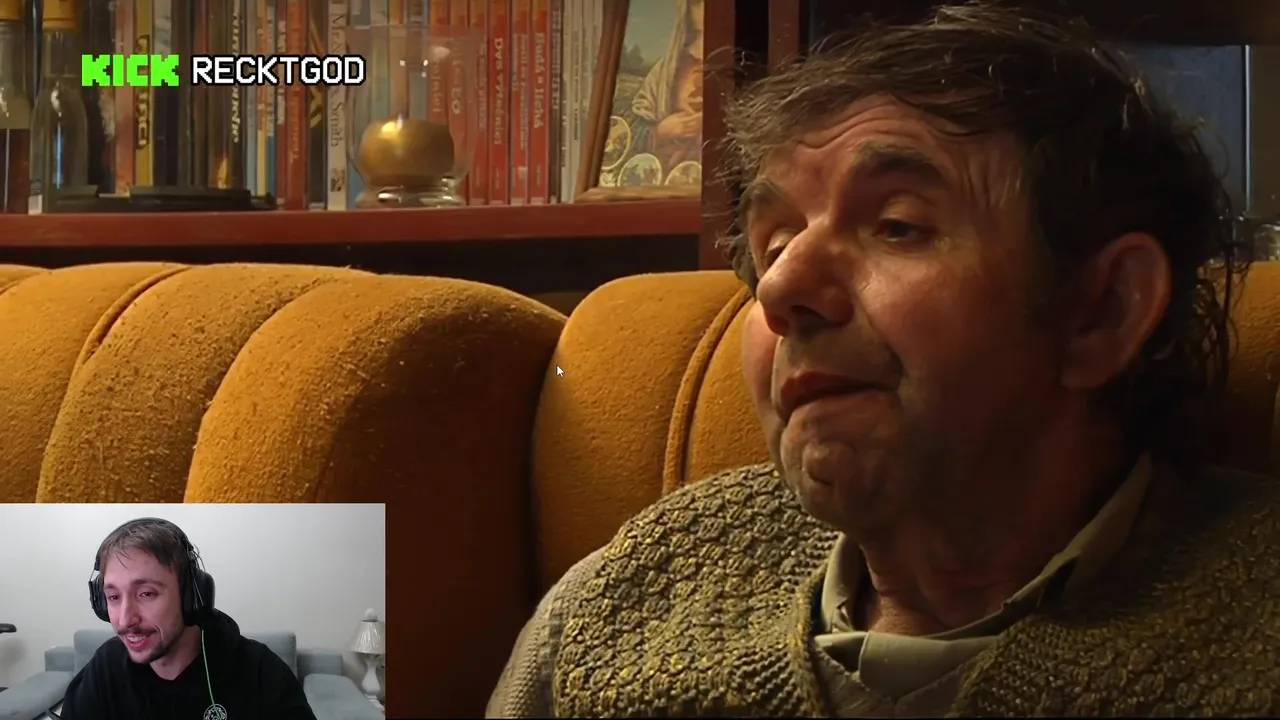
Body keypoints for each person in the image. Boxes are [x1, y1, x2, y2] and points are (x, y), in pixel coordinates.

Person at [487, 1, 1280, 717]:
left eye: (898, 226)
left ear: (1102, 311)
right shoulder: (631, 594)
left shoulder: (1252, 632)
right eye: (775, 245)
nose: (780, 290)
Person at [61, 518, 316, 720]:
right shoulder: (104, 668)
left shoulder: (261, 674)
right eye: (114, 597)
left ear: (190, 596)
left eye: (146, 593)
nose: (125, 620)